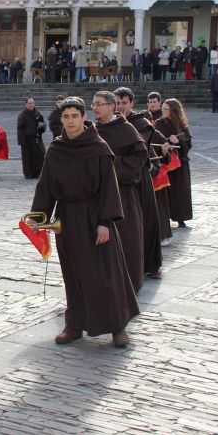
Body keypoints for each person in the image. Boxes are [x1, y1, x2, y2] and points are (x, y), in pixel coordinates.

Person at [30, 97, 138, 348]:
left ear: (84, 118)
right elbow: (45, 188)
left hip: (95, 218)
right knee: (74, 274)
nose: (70, 121)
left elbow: (109, 188)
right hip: (66, 219)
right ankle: (74, 324)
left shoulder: (98, 147)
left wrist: (105, 222)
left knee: (104, 274)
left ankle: (117, 326)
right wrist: (38, 218)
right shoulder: (56, 150)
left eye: (74, 116)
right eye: (66, 117)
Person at [93, 91, 148, 293]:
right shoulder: (92, 130)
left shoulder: (126, 129)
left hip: (123, 193)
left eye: (99, 104)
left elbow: (140, 156)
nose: (95, 108)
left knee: (126, 238)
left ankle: (129, 283)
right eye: (93, 105)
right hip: (98, 195)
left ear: (111, 106)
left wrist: (114, 169)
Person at [116, 87, 165, 279]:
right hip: (119, 177)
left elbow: (138, 151)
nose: (120, 107)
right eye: (118, 103)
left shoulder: (140, 123)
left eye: (124, 103)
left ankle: (151, 264)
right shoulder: (111, 124)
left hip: (139, 176)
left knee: (147, 218)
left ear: (131, 104)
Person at [155, 99, 193, 228]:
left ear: (173, 111)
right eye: (163, 108)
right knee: (166, 192)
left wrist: (178, 141)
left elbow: (188, 145)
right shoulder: (159, 123)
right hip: (166, 164)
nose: (163, 111)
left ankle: (181, 217)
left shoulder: (181, 125)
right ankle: (165, 216)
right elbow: (157, 141)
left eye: (166, 109)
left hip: (180, 164)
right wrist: (167, 142)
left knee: (180, 192)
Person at [145, 92, 173, 246]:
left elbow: (167, 154)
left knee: (160, 208)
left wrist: (165, 151)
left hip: (158, 177)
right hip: (146, 176)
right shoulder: (138, 135)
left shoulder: (156, 134)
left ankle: (164, 234)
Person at [17, 98, 46, 179]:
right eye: (29, 103)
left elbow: (43, 125)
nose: (31, 104)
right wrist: (22, 142)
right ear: (26, 104)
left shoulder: (38, 114)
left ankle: (38, 173)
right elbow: (20, 129)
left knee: (40, 155)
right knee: (28, 158)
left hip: (36, 138)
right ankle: (28, 173)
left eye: (32, 103)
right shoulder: (22, 115)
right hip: (27, 140)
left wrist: (42, 125)